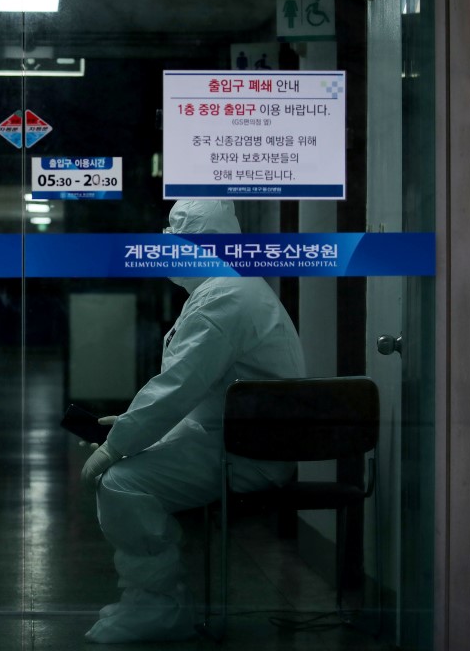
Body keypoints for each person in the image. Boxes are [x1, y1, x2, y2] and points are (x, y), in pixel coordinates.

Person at [79, 200, 306, 643]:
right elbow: (196, 390)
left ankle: (156, 606)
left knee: (123, 483)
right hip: (237, 437)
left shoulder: (223, 298)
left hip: (248, 452)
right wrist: (131, 428)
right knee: (134, 465)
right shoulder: (226, 288)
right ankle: (147, 601)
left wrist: (117, 446)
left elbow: (178, 386)